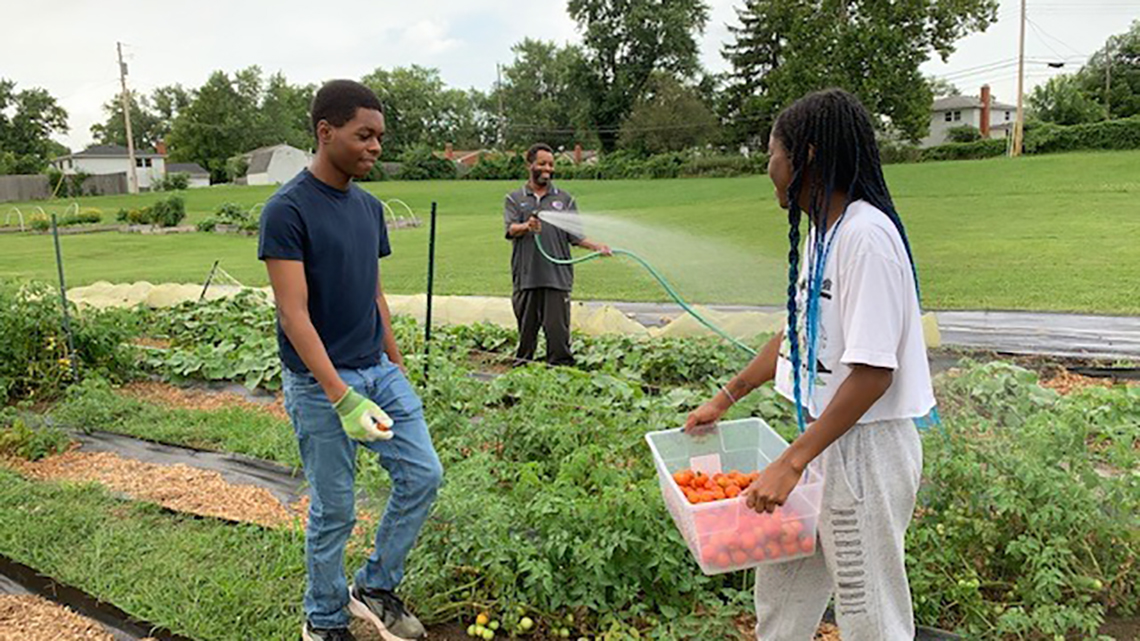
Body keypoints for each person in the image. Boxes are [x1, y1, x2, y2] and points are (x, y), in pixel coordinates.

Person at [685, 89, 935, 640]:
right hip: (821, 440)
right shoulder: (829, 234)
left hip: (863, 450)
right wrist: (724, 398)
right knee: (782, 594)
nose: (767, 168)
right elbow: (797, 334)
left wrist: (792, 463)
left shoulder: (866, 238)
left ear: (808, 157)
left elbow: (873, 374)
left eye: (773, 153)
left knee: (870, 611)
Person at [259, 79, 442, 641]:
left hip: (378, 370)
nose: (375, 148)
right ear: (325, 132)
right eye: (364, 135)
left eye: (380, 137)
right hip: (320, 385)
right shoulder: (286, 211)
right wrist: (342, 395)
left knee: (422, 475)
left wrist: (395, 364)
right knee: (335, 509)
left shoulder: (368, 208)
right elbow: (294, 315)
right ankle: (323, 618)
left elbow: (374, 293)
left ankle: (375, 585)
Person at [503, 143, 611, 366]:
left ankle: (560, 369)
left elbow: (576, 237)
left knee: (558, 331)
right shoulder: (514, 198)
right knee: (526, 331)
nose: (548, 168)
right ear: (530, 164)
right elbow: (511, 229)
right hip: (526, 277)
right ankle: (522, 369)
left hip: (557, 277)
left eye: (551, 164)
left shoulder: (564, 199)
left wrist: (597, 247)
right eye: (542, 163)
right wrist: (527, 226)